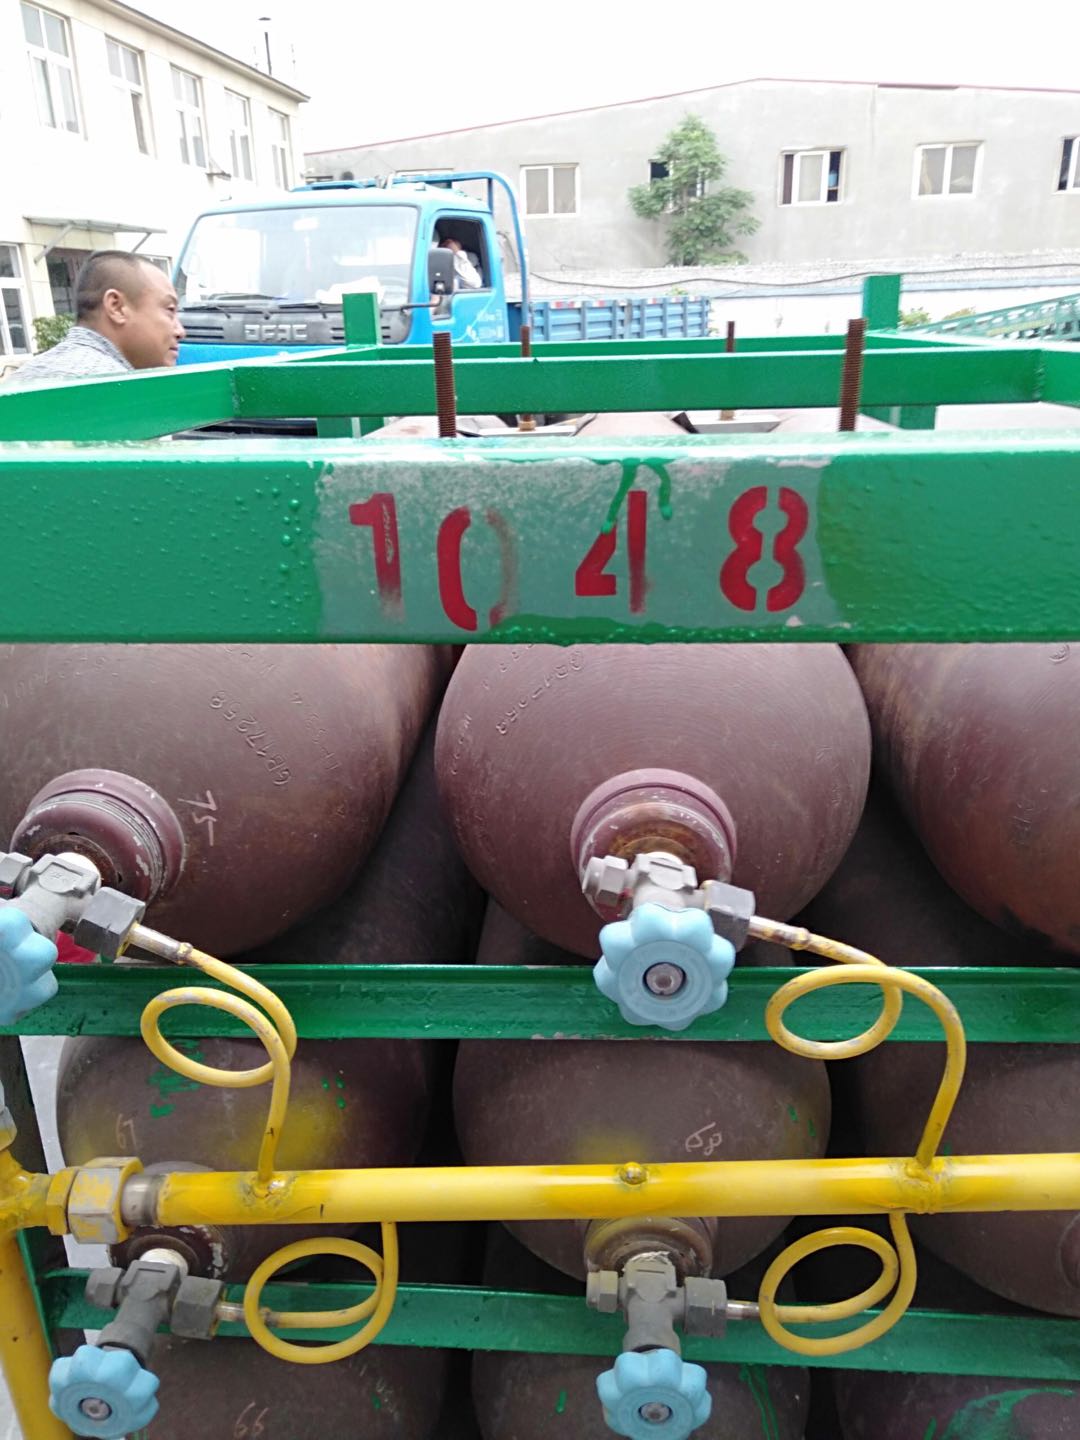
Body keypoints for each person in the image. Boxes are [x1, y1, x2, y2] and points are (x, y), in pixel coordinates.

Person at [7, 250, 185, 387]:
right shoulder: (119, 394)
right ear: (116, 307)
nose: (180, 331)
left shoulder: (19, 381)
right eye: (169, 310)